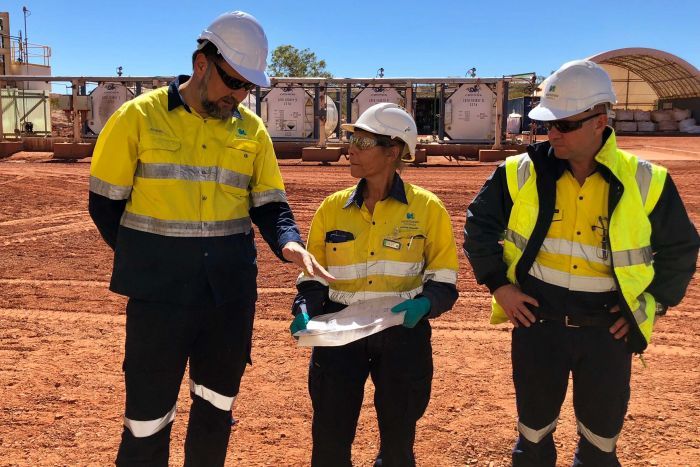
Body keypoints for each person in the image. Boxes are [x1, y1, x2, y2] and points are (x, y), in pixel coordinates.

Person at [88, 11, 332, 466]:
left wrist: (289, 242)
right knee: (146, 420)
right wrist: (148, 260)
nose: (239, 96)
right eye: (233, 82)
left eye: (247, 87)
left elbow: (269, 204)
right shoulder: (137, 118)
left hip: (228, 298)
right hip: (158, 299)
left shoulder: (251, 130)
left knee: (216, 412)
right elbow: (105, 206)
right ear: (202, 63)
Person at [464, 59, 699, 466]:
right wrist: (500, 286)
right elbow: (478, 227)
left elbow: (681, 248)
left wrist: (653, 303)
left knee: (599, 445)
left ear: (599, 121)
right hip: (538, 324)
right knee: (533, 440)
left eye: (565, 124)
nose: (552, 133)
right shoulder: (520, 172)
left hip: (607, 330)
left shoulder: (646, 180)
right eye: (548, 124)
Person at [289, 103, 459, 467]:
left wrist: (425, 305)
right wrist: (304, 308)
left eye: (363, 142)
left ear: (393, 151)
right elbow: (312, 276)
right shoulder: (331, 208)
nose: (351, 149)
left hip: (402, 334)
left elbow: (444, 281)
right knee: (330, 439)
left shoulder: (428, 210)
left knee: (398, 443)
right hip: (339, 338)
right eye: (352, 140)